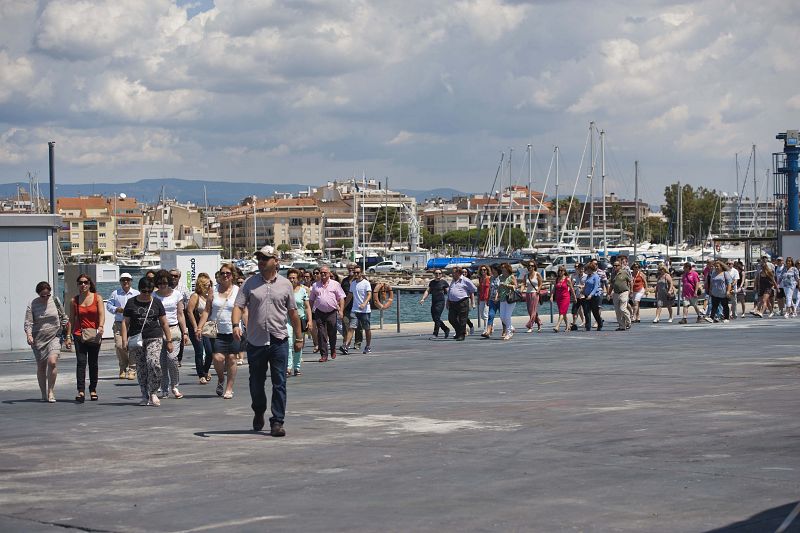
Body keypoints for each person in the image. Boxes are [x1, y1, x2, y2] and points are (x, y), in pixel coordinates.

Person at [232, 245, 302, 438]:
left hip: (279, 340)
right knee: (256, 382)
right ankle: (258, 410)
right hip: (256, 341)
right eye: (259, 258)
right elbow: (238, 306)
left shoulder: (286, 284)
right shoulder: (249, 283)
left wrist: (299, 337)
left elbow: (293, 313)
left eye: (265, 258)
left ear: (275, 261)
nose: (261, 261)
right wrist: (235, 325)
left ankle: (277, 421)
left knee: (280, 382)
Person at [121, 277, 171, 406]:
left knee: (153, 363)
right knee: (142, 367)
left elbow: (164, 322)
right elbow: (125, 322)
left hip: (154, 336)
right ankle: (144, 394)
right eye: (144, 291)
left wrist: (169, 340)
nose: (147, 294)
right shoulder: (131, 303)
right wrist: (124, 339)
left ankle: (153, 391)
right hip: (137, 339)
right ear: (139, 290)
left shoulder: (157, 302)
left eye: (149, 291)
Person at [197, 263, 240, 399]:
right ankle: (221, 378)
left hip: (233, 329)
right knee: (218, 358)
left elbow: (243, 311)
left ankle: (229, 388)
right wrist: (199, 327)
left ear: (232, 275)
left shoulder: (238, 290)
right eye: (222, 273)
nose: (225, 275)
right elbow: (207, 310)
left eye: (228, 273)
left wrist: (248, 327)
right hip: (216, 331)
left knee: (232, 358)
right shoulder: (213, 290)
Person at [25, 281, 69, 403]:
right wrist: (29, 335)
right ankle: (43, 393)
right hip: (38, 339)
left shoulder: (55, 301)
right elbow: (28, 322)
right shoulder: (33, 304)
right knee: (41, 366)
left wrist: (63, 329)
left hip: (54, 336)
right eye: (42, 296)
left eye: (47, 295)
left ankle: (51, 391)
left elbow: (64, 317)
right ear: (38, 294)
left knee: (52, 362)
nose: (45, 298)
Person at [69, 274, 104, 402]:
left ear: (89, 284)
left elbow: (101, 314)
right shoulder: (74, 300)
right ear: (77, 285)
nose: (83, 285)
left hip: (94, 334)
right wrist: (68, 336)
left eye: (85, 282)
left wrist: (100, 326)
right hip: (79, 334)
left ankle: (93, 389)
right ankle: (81, 391)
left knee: (93, 363)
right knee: (81, 362)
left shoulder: (97, 298)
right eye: (80, 283)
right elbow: (71, 319)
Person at [153, 270, 188, 399]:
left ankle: (175, 385)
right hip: (158, 330)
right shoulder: (153, 296)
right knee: (161, 362)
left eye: (165, 283)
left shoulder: (177, 295)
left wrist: (185, 332)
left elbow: (180, 314)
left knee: (172, 358)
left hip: (173, 330)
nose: (162, 285)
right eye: (160, 283)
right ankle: (164, 388)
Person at [107, 273, 140, 380]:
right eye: (123, 280)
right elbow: (109, 305)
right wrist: (116, 309)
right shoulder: (115, 293)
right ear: (120, 281)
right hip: (119, 323)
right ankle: (123, 367)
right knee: (120, 345)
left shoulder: (136, 293)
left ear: (131, 281)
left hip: (133, 324)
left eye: (128, 280)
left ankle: (132, 368)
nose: (126, 282)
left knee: (133, 347)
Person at [309, 265, 345, 363]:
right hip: (319, 312)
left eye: (325, 272)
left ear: (329, 274)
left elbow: (341, 298)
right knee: (321, 334)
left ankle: (333, 348)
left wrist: (341, 311)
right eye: (321, 272)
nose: (323, 274)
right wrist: (310, 311)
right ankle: (324, 355)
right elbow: (311, 299)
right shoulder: (315, 285)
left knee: (332, 332)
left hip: (332, 312)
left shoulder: (335, 284)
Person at [186, 272, 215, 384]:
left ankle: (205, 370)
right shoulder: (195, 296)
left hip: (208, 327)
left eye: (210, 284)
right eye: (207, 284)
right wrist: (194, 326)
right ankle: (201, 375)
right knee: (199, 351)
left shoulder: (209, 296)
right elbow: (189, 311)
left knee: (210, 351)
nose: (209, 286)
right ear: (202, 285)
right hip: (197, 326)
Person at [341, 265, 373, 354]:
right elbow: (349, 296)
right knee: (351, 327)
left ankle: (368, 346)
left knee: (367, 329)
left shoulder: (366, 283)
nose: (356, 274)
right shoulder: (353, 283)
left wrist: (364, 303)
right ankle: (346, 346)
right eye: (354, 272)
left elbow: (369, 294)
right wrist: (343, 307)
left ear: (361, 273)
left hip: (365, 311)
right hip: (354, 310)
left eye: (358, 272)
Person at [286, 269, 312, 376]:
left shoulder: (302, 290)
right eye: (290, 278)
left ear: (298, 279)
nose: (292, 280)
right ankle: (288, 366)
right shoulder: (285, 290)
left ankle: (297, 367)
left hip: (300, 320)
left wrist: (310, 320)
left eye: (294, 278)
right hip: (287, 320)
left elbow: (307, 307)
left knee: (298, 343)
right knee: (288, 342)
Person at [447, 266, 477, 341]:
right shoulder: (453, 281)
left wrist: (472, 300)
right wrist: (447, 301)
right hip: (452, 303)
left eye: (453, 272)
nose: (452, 274)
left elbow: (474, 289)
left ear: (458, 273)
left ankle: (461, 335)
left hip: (462, 302)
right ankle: (458, 331)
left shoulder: (465, 280)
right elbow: (450, 292)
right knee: (451, 319)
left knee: (462, 319)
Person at [419, 269, 450, 338]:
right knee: (435, 318)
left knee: (437, 317)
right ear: (434, 274)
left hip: (441, 302)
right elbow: (427, 291)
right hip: (434, 302)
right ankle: (446, 329)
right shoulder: (432, 283)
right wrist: (423, 299)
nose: (438, 275)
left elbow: (449, 293)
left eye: (439, 273)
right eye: (436, 273)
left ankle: (435, 334)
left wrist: (450, 301)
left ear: (441, 274)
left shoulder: (444, 282)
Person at [340, 264, 363, 350]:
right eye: (349, 268)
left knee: (358, 327)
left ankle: (358, 342)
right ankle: (346, 342)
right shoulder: (345, 281)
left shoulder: (361, 280)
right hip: (346, 307)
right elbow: (341, 294)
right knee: (346, 325)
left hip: (357, 307)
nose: (351, 270)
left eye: (352, 269)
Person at [169, 269, 188, 367]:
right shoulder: (165, 286)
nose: (173, 277)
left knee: (179, 338)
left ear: (179, 277)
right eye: (171, 275)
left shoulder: (183, 287)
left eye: (175, 276)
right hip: (168, 316)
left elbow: (187, 300)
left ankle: (178, 358)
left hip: (180, 313)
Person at [497, 263, 517, 340]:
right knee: (502, 317)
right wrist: (497, 295)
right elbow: (499, 287)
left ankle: (509, 332)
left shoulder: (511, 277)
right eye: (501, 268)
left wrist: (506, 285)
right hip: (502, 298)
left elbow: (515, 286)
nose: (502, 269)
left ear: (507, 269)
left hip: (510, 299)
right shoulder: (500, 277)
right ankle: (511, 327)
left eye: (504, 268)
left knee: (507, 316)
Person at [581, 263, 604, 331]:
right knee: (586, 311)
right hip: (586, 296)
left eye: (588, 269)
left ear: (591, 269)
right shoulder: (588, 276)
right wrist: (583, 291)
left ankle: (600, 323)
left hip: (594, 296)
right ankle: (588, 326)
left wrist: (591, 295)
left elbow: (595, 287)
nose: (587, 270)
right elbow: (586, 285)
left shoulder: (596, 276)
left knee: (595, 312)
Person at [481, 264, 502, 338]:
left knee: (502, 316)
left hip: (500, 300)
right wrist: (488, 298)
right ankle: (488, 331)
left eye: (493, 269)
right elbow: (490, 289)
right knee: (490, 315)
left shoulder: (501, 277)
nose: (492, 271)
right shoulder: (491, 278)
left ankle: (506, 330)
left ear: (497, 270)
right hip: (492, 299)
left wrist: (497, 296)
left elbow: (500, 288)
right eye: (492, 269)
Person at [552, 266, 575, 333]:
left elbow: (571, 289)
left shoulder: (567, 279)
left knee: (561, 312)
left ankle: (557, 326)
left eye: (561, 270)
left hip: (565, 297)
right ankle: (568, 326)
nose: (560, 272)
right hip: (558, 298)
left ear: (564, 272)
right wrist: (551, 296)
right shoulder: (557, 279)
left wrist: (574, 297)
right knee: (563, 313)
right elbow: (554, 289)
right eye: (559, 270)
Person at [523, 261, 544, 333]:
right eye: (529, 265)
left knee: (533, 310)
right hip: (528, 293)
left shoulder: (537, 274)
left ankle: (530, 326)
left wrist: (538, 290)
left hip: (535, 293)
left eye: (531, 265)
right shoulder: (526, 275)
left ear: (534, 267)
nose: (530, 267)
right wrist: (521, 289)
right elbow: (523, 283)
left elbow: (541, 283)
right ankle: (539, 323)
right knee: (530, 310)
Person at [610, 260, 632, 331]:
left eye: (617, 265)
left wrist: (631, 290)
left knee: (622, 309)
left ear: (620, 266)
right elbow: (611, 284)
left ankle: (629, 321)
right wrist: (608, 293)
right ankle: (622, 326)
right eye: (614, 265)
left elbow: (630, 281)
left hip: (624, 292)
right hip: (616, 293)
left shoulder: (624, 272)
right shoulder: (613, 274)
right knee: (617, 311)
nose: (615, 267)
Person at [570, 263, 586, 330]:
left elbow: (587, 285)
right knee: (574, 310)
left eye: (582, 269)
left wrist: (582, 286)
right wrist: (572, 288)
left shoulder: (586, 276)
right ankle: (574, 324)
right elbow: (571, 284)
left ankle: (586, 323)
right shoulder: (575, 276)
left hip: (584, 296)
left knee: (585, 310)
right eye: (580, 269)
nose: (581, 270)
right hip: (577, 296)